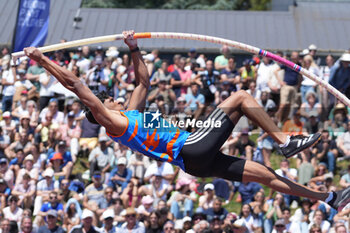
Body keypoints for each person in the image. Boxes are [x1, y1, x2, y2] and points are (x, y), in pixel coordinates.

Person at [23, 31, 350, 212]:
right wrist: (43, 61)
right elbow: (77, 86)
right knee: (240, 97)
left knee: (265, 175)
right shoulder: (111, 121)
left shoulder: (129, 113)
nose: (110, 97)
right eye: (105, 97)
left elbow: (142, 84)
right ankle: (285, 142)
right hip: (189, 149)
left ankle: (328, 199)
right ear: (100, 106)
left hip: (195, 162)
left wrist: (134, 48)